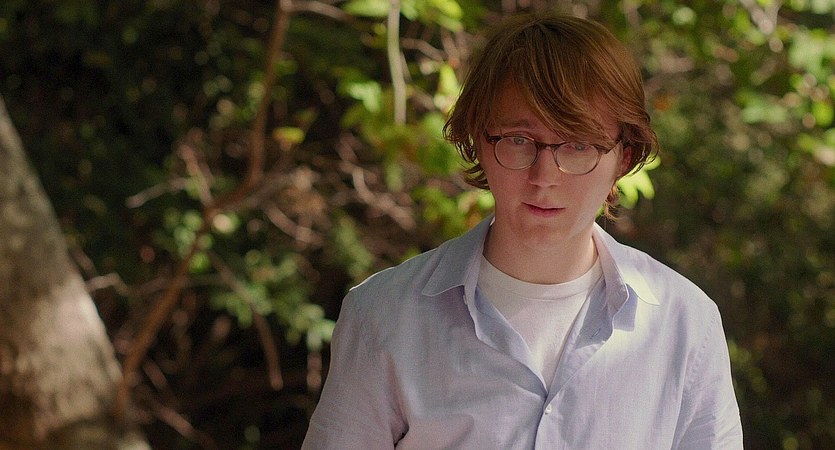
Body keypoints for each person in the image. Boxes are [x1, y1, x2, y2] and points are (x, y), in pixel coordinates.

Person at [303, 12, 743, 449]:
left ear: (623, 158)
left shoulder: (684, 323)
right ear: (478, 140)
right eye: (518, 139)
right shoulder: (384, 316)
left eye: (578, 144)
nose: (544, 176)